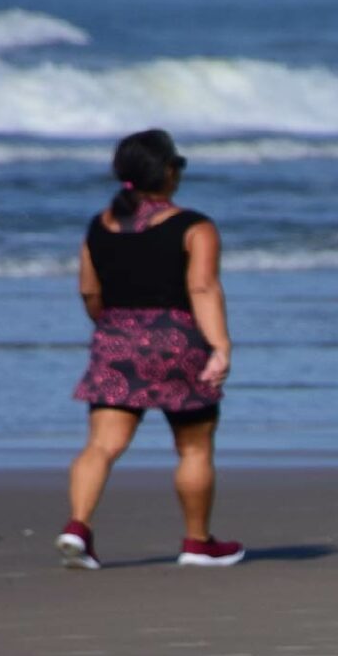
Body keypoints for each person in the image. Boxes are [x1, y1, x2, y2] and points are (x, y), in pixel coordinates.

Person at [57, 129, 244, 570]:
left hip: (117, 338)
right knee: (194, 447)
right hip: (178, 341)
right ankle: (197, 543)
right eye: (176, 165)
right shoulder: (194, 226)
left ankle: (78, 527)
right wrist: (220, 345)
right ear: (166, 172)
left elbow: (89, 292)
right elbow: (202, 287)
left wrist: (114, 330)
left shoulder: (97, 226)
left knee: (102, 444)